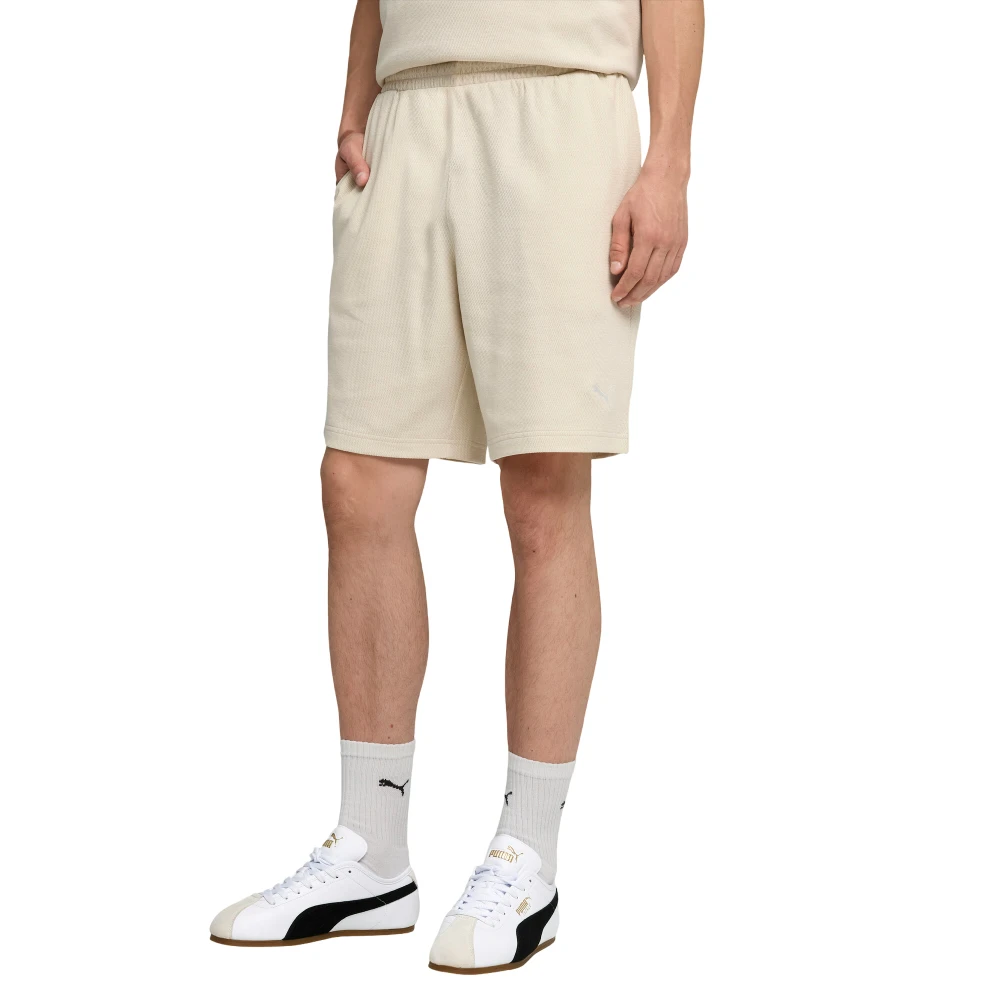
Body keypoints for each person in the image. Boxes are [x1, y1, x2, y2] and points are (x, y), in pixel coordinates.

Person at [210, 0, 704, 974]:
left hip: (559, 111)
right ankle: (370, 851)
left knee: (543, 489)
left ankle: (527, 853)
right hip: (405, 117)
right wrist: (354, 105)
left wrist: (670, 162)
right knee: (357, 477)